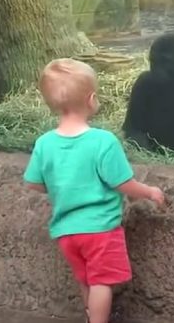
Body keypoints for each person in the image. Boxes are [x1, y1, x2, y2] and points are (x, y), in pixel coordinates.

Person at [23, 58, 166, 323]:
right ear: (91, 99)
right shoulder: (103, 141)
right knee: (101, 282)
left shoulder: (45, 143)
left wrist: (58, 186)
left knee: (85, 278)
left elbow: (32, 183)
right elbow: (121, 183)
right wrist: (148, 192)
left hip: (66, 231)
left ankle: (90, 315)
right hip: (99, 229)